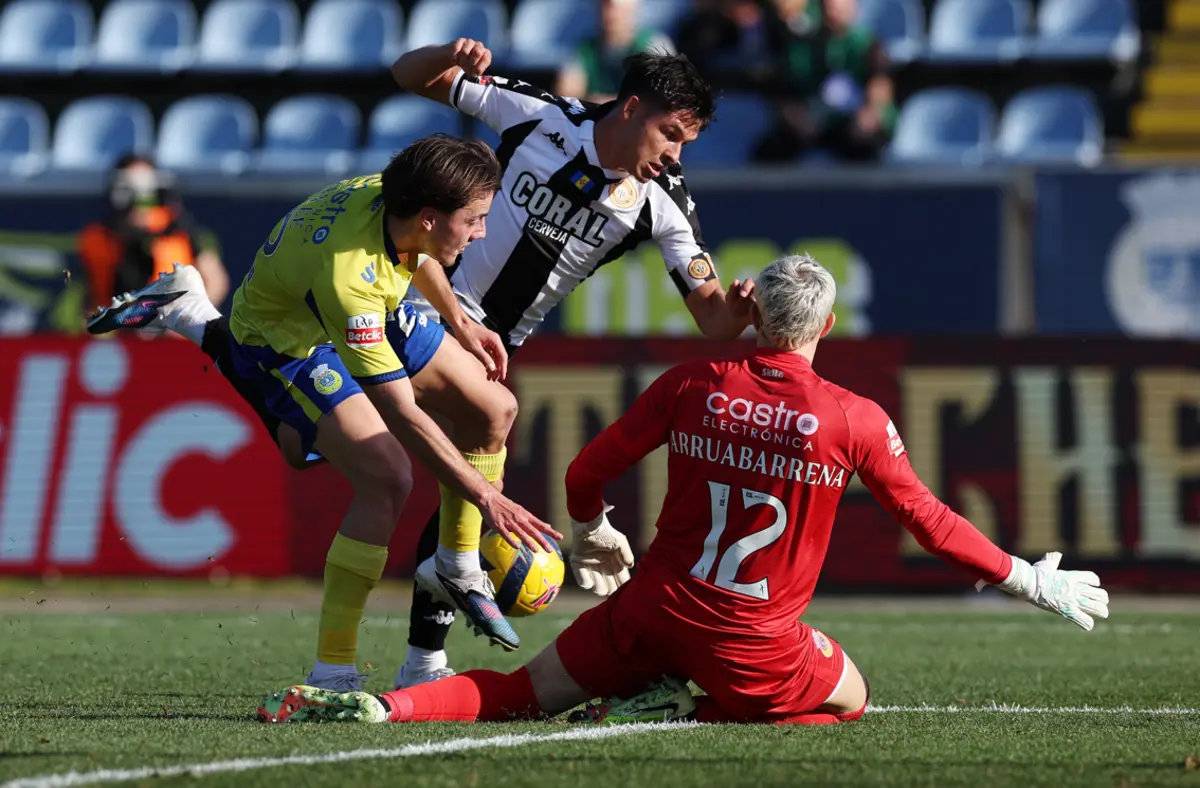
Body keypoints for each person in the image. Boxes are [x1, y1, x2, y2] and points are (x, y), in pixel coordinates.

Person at [90, 44, 756, 690]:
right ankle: (382, 651)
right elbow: (411, 75)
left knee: (399, 437)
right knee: (402, 465)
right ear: (633, 107)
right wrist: (448, 50)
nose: (675, 153)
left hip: (469, 320)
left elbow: (714, 319)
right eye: (671, 134)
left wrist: (747, 311)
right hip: (394, 300)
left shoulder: (663, 201)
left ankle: (428, 643)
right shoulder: (540, 117)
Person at [255, 254, 1110, 726]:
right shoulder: (854, 418)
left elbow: (586, 473)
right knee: (850, 702)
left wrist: (592, 532)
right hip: (755, 645)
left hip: (651, 610)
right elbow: (925, 519)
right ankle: (682, 715)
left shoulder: (694, 383)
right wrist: (1030, 580)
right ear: (827, 328)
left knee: (522, 695)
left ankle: (382, 705)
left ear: (755, 315)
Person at [86, 135, 561, 693]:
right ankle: (332, 671)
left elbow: (419, 253)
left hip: (362, 304)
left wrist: (459, 320)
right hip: (291, 340)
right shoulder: (350, 278)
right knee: (386, 477)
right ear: (432, 216)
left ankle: (455, 562)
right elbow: (403, 415)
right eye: (476, 219)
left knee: (494, 406)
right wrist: (485, 496)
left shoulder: (398, 204)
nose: (482, 231)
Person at [79, 154, 229, 312]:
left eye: (145, 185)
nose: (138, 195)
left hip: (170, 327)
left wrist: (192, 320)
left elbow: (216, 280)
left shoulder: (178, 227)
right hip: (117, 327)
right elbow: (88, 295)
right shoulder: (97, 235)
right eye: (129, 186)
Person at [556, 0, 676, 103]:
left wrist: (606, 104)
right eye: (603, 5)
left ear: (631, 9)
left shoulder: (653, 45)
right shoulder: (584, 50)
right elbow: (565, 96)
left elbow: (662, 97)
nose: (608, 13)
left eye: (614, 7)